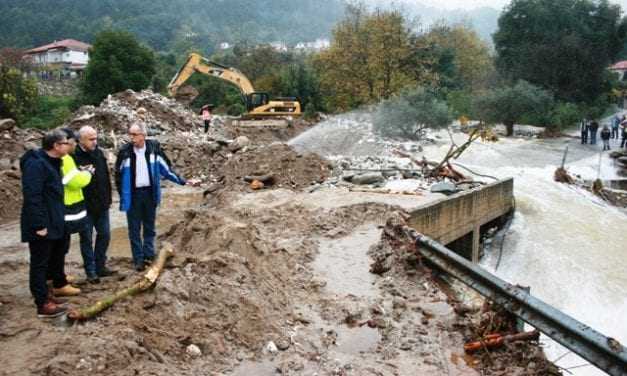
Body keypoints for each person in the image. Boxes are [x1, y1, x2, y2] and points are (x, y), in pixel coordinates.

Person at [115, 123, 193, 271]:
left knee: (149, 228)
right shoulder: (125, 153)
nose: (131, 138)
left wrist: (182, 181)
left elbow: (166, 170)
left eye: (135, 135)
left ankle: (148, 255)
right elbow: (117, 176)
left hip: (149, 194)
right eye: (130, 135)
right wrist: (122, 195)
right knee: (134, 229)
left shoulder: (153, 151)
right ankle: (138, 259)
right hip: (133, 195)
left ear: (143, 135)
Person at [20, 129, 72, 318]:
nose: (69, 144)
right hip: (42, 224)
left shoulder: (53, 162)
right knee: (40, 263)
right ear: (56, 146)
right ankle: (42, 303)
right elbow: (33, 197)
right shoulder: (36, 164)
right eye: (66, 142)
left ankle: (49, 295)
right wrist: (39, 225)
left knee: (53, 259)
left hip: (55, 220)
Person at [74, 126, 117, 280]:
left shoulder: (98, 153)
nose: (95, 142)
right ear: (81, 140)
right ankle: (90, 271)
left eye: (96, 138)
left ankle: (100, 266)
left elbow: (105, 177)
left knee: (104, 235)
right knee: (86, 238)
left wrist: (109, 198)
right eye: (91, 139)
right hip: (84, 206)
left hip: (102, 204)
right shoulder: (74, 157)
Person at [59, 128, 94, 287]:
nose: (73, 146)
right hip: (67, 208)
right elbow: (74, 182)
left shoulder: (65, 159)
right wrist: (87, 174)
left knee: (61, 246)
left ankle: (59, 276)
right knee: (60, 247)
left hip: (70, 208)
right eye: (72, 143)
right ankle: (58, 280)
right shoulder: (65, 159)